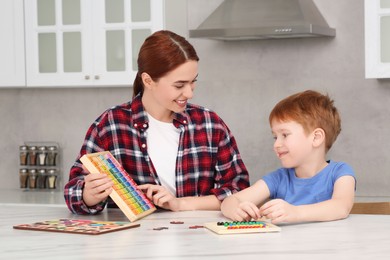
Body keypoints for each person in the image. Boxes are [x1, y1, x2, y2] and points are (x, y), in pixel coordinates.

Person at [64, 30, 249, 215]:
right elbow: (73, 192)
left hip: (198, 238)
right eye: (179, 85)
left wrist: (180, 203)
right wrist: (89, 195)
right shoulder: (111, 125)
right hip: (134, 241)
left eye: (193, 82)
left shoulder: (210, 125)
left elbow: (239, 191)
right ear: (148, 81)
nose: (190, 93)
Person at [221, 90, 356, 224]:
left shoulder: (340, 172)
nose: (276, 144)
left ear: (316, 138)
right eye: (275, 137)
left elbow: (341, 207)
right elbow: (230, 201)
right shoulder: (279, 179)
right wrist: (236, 209)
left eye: (284, 135)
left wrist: (296, 212)